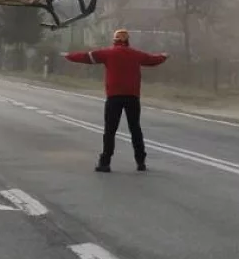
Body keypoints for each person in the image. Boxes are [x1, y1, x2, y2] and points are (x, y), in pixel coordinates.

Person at [62, 29, 168, 172]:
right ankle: (140, 161)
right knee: (135, 129)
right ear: (127, 41)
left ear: (114, 40)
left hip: (114, 97)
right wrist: (163, 56)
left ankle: (105, 163)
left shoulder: (108, 53)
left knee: (110, 130)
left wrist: (69, 56)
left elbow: (87, 57)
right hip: (133, 97)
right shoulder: (136, 54)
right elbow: (152, 60)